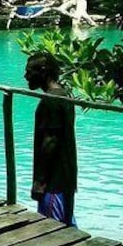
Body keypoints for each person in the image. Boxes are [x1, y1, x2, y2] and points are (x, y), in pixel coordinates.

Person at [24, 52, 78, 227]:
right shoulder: (64, 95)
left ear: (43, 71)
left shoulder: (51, 100)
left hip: (54, 183)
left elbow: (51, 141)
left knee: (52, 232)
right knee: (67, 228)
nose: (26, 76)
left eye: (29, 72)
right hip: (65, 180)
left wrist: (39, 182)